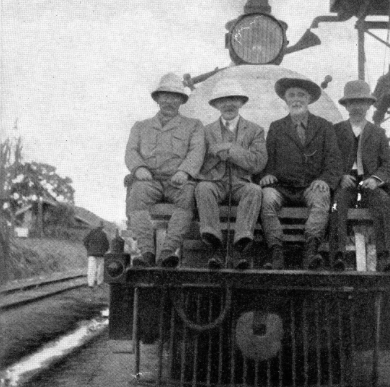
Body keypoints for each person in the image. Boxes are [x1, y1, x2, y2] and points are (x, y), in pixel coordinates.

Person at [260, 77, 342, 270]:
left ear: (309, 99)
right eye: (292, 95)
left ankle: (311, 250)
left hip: (311, 186)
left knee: (322, 198)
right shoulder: (276, 127)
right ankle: (276, 250)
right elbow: (266, 157)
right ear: (285, 100)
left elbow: (334, 160)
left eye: (301, 95)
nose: (296, 99)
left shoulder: (324, 126)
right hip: (282, 187)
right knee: (266, 198)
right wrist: (267, 174)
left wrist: (324, 180)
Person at [125, 72, 205, 268]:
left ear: (181, 100)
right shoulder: (140, 127)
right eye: (165, 96)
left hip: (178, 182)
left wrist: (185, 172)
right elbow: (131, 151)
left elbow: (197, 151)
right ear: (158, 98)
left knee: (187, 200)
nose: (169, 101)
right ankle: (147, 252)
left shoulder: (193, 126)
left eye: (175, 96)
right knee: (136, 197)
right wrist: (139, 168)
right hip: (149, 181)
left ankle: (167, 253)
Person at [195, 79, 267, 269]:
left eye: (234, 99)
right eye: (223, 100)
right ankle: (214, 243)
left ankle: (241, 246)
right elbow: (199, 163)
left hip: (241, 183)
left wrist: (230, 148)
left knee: (254, 190)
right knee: (203, 188)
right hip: (214, 181)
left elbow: (258, 163)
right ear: (216, 105)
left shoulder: (255, 130)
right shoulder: (204, 131)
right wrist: (216, 153)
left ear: (241, 102)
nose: (228, 104)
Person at [331, 80, 390, 272]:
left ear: (369, 105)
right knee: (336, 203)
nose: (357, 107)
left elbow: (389, 164)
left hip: (370, 181)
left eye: (362, 102)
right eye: (352, 103)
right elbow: (329, 160)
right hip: (346, 180)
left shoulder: (378, 133)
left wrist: (376, 180)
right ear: (346, 106)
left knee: (383, 201)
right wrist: (340, 176)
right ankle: (338, 256)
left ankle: (384, 256)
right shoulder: (336, 131)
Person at [83, 221, 109, 288]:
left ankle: (90, 284)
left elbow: (85, 241)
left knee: (91, 269)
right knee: (100, 269)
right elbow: (107, 245)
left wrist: (89, 249)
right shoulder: (104, 234)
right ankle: (99, 283)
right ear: (102, 227)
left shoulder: (91, 233)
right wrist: (104, 251)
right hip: (101, 254)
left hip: (92, 254)